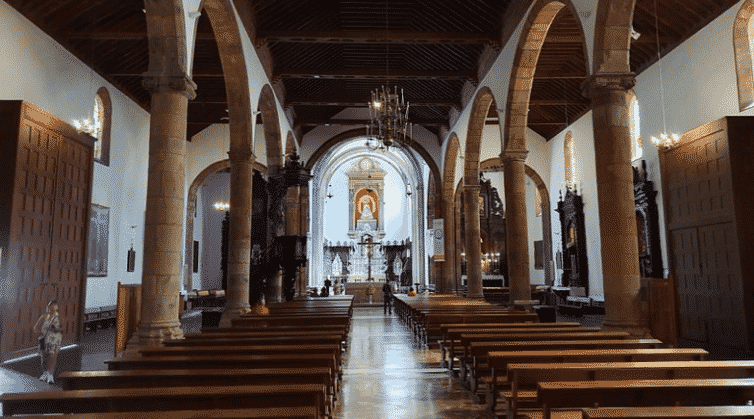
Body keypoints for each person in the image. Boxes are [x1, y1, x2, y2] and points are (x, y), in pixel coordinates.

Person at [33, 300, 62, 384]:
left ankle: (50, 375)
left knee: (52, 357)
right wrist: (41, 333)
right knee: (43, 356)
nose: (52, 308)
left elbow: (62, 328)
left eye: (54, 307)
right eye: (50, 307)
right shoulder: (44, 317)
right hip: (43, 339)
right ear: (48, 308)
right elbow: (36, 328)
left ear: (56, 308)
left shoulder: (59, 317)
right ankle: (45, 373)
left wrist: (55, 329)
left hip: (54, 340)